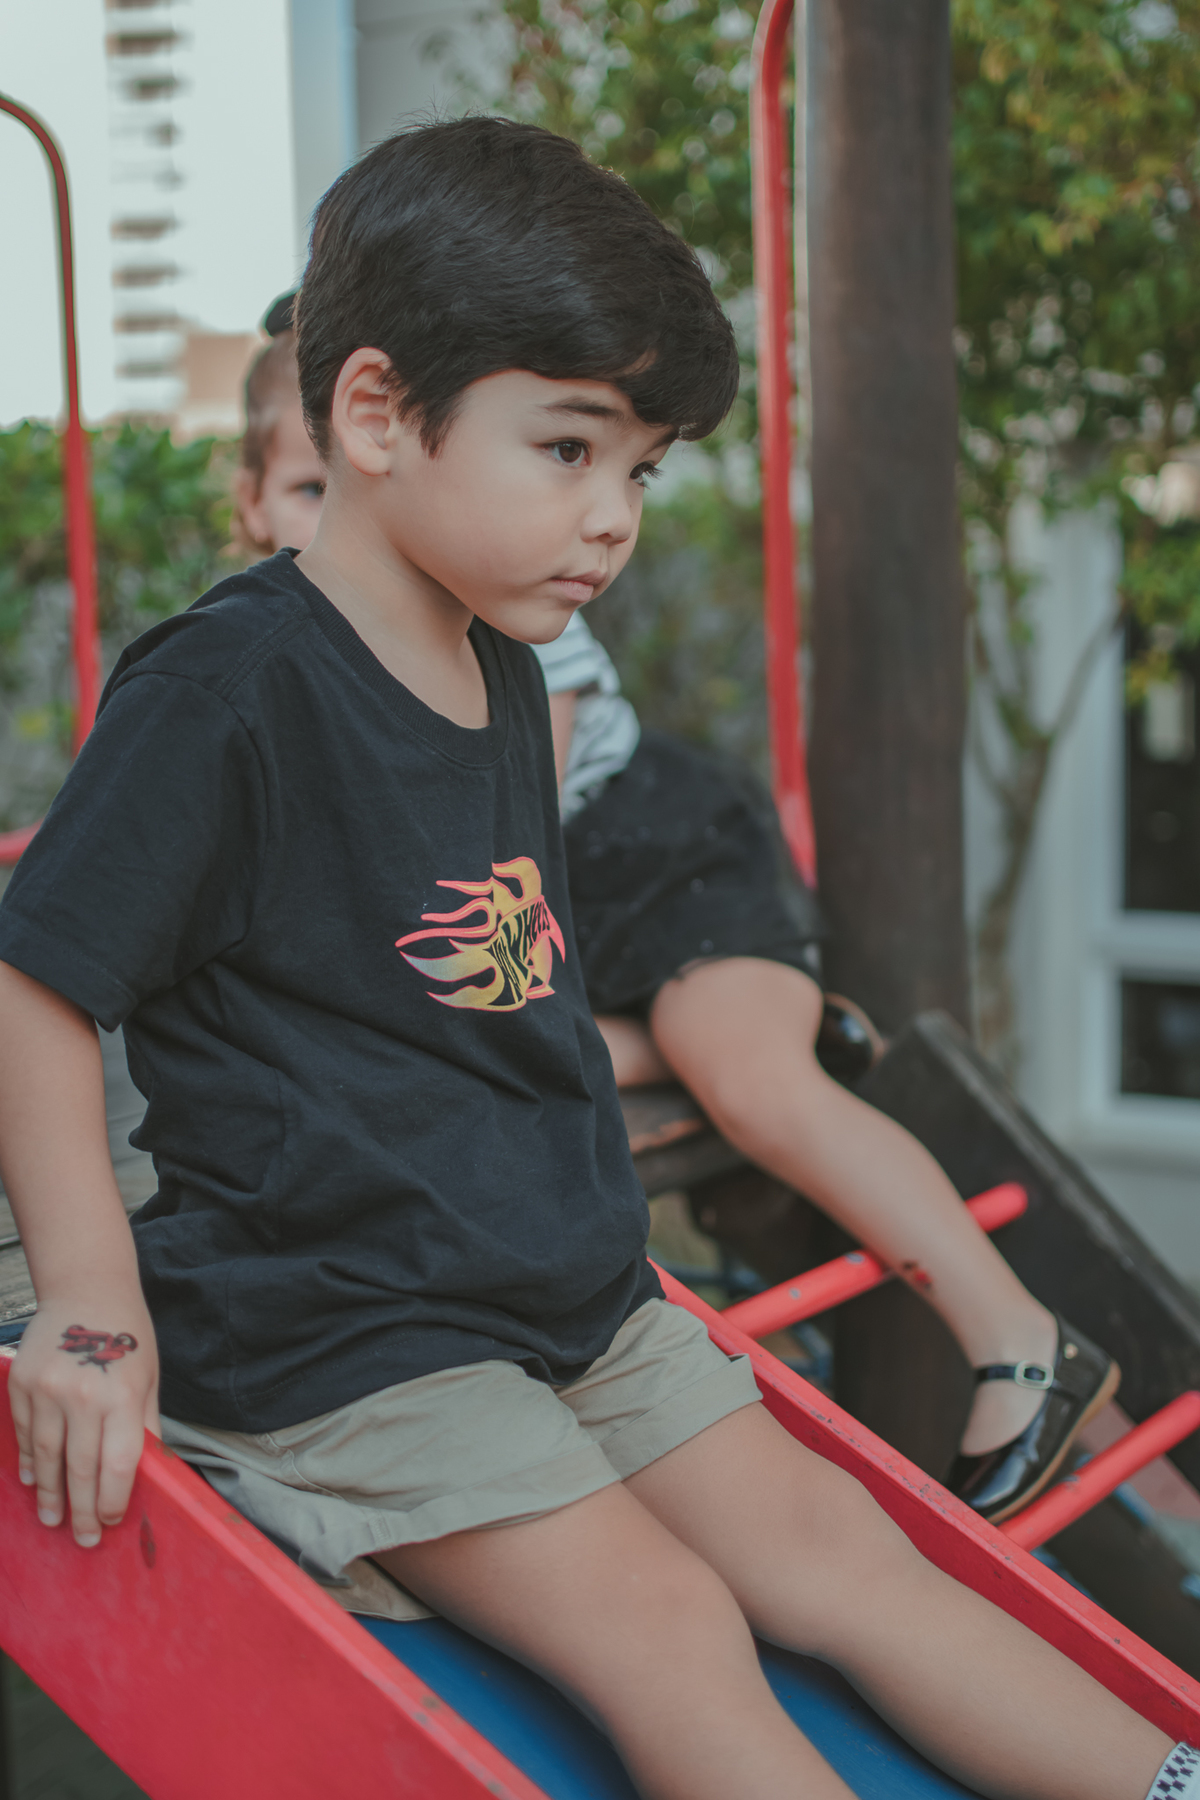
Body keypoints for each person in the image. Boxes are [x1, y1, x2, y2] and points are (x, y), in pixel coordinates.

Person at [0, 117, 1180, 1800]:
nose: (611, 517)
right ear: (378, 416)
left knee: (841, 1553)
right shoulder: (232, 690)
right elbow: (36, 982)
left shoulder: (506, 675)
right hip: (346, 1331)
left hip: (559, 1292)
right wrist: (96, 1308)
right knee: (668, 1622)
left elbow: (481, 979)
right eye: (567, 450)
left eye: (637, 469)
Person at [234, 306, 1111, 1525]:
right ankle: (775, 1030)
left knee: (747, 1082)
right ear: (251, 502)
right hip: (543, 943)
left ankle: (1018, 1337)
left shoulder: (499, 621)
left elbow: (482, 846)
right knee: (481, 1041)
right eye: (302, 485)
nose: (334, 503)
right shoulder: (269, 651)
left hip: (660, 866)